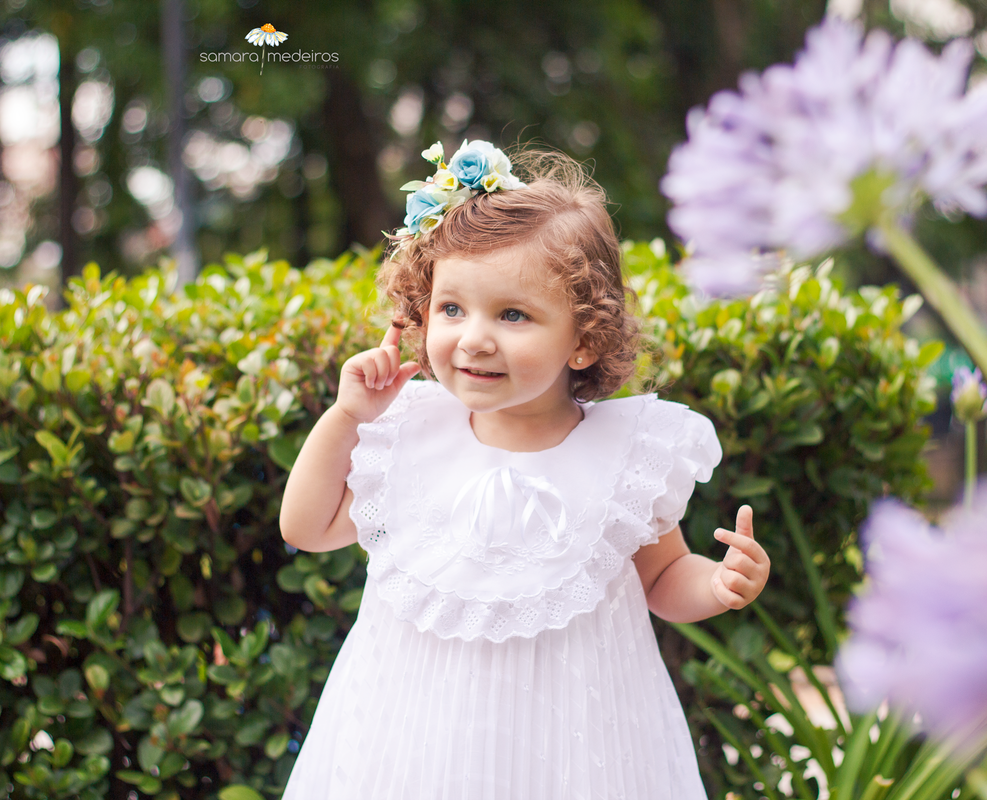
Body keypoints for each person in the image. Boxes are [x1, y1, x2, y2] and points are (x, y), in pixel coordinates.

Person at [278, 141, 770, 799]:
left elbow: (663, 577)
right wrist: (346, 417)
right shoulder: (406, 434)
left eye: (513, 314)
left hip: (573, 748)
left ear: (585, 339)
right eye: (451, 309)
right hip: (416, 745)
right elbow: (307, 527)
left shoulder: (623, 455)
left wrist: (719, 585)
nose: (474, 336)